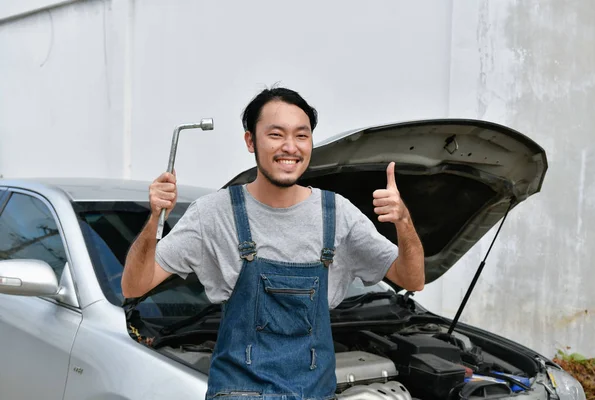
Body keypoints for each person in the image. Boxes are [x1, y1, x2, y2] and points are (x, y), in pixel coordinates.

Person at [121, 87, 425, 400]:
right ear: (251, 141)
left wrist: (403, 222)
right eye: (276, 134)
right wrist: (155, 218)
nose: (290, 147)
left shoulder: (337, 214)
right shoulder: (214, 214)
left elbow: (412, 279)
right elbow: (134, 286)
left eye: (301, 136)